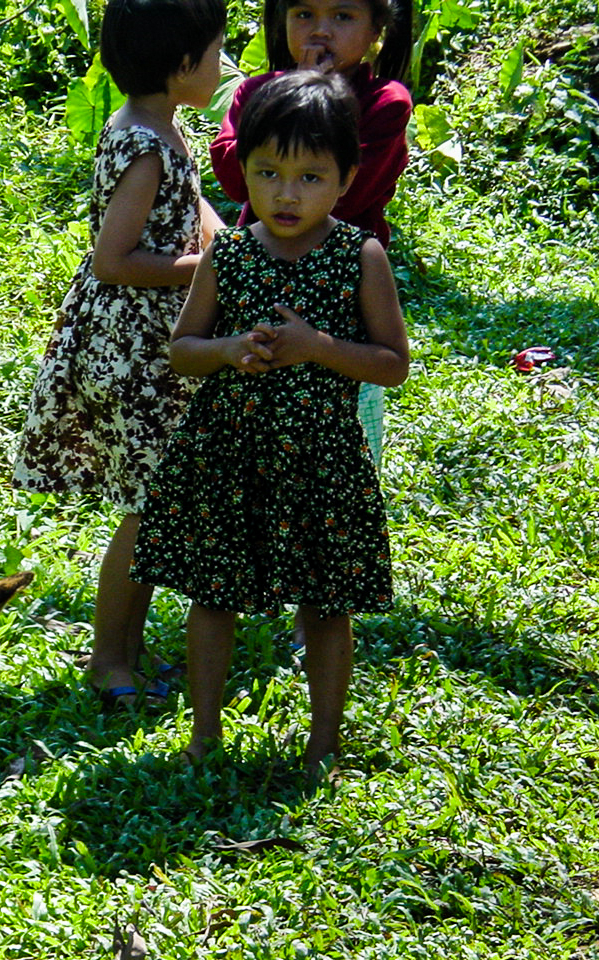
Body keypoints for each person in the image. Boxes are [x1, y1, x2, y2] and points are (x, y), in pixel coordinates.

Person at [130, 71, 410, 778]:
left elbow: (392, 364)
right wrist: (227, 350)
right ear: (243, 170)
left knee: (325, 604)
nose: (287, 194)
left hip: (322, 460)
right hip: (231, 454)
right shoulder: (227, 255)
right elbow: (183, 352)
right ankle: (204, 733)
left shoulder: (360, 257)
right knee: (213, 597)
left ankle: (324, 741)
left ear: (347, 179)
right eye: (268, 173)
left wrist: (319, 347)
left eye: (310, 177)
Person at [12, 0, 228, 709]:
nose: (223, 63)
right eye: (216, 50)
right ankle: (109, 660)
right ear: (180, 65)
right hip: (133, 355)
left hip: (150, 350)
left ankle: (128, 651)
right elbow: (114, 258)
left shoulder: (162, 127)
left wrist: (233, 247)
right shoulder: (145, 147)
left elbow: (197, 212)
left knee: (154, 504)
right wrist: (202, 270)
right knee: (147, 509)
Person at [210, 0, 413, 463]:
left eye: (342, 17)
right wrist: (288, 96)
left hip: (343, 292)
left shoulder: (385, 102)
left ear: (376, 26)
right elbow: (231, 174)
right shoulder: (254, 93)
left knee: (339, 429)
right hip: (259, 276)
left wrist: (317, 95)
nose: (320, 32)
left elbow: (352, 194)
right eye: (304, 15)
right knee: (251, 414)